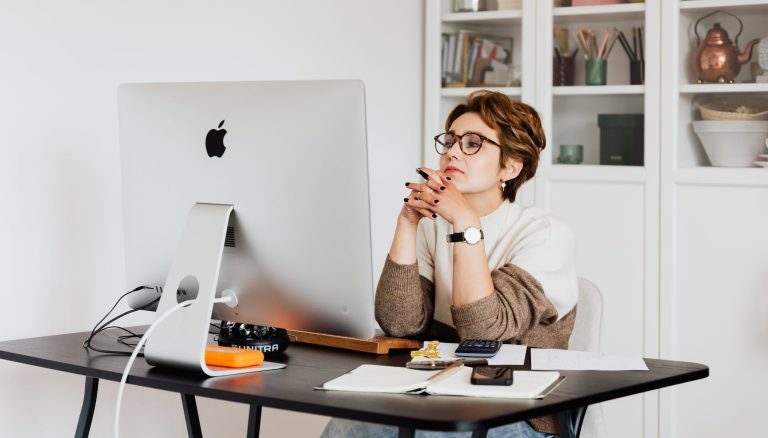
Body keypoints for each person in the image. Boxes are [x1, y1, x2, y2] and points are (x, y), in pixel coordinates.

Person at [322, 91, 578, 438]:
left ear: (511, 166)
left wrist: (466, 224)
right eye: (451, 141)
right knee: (350, 422)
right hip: (436, 393)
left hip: (518, 408)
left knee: (378, 429)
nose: (452, 152)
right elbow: (400, 323)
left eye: (473, 143)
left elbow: (483, 334)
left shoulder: (546, 234)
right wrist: (408, 221)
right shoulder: (434, 226)